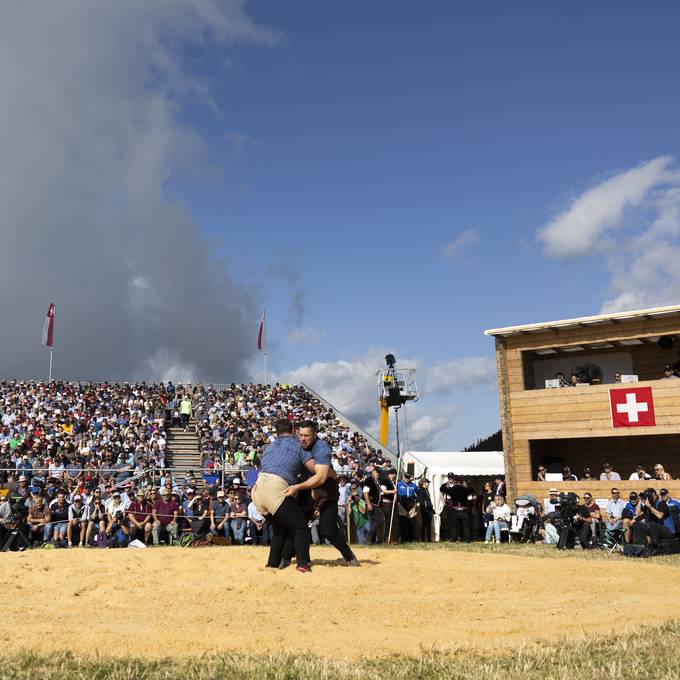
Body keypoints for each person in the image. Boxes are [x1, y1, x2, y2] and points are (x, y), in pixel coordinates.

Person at [284, 420, 358, 564]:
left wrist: (297, 487)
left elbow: (322, 477)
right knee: (297, 524)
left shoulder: (321, 448)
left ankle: (348, 555)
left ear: (315, 434)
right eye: (301, 435)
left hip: (325, 491)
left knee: (328, 529)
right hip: (306, 491)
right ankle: (293, 559)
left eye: (307, 435)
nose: (303, 438)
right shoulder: (297, 444)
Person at [251, 419, 315, 572]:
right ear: (293, 431)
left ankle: (272, 564)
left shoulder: (269, 447)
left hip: (257, 489)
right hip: (275, 488)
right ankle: (302, 564)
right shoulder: (297, 445)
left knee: (279, 529)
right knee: (300, 527)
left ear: (276, 432)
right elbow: (314, 469)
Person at [439, 476, 472, 542]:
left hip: (455, 510)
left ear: (455, 482)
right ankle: (467, 540)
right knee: (465, 527)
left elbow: (442, 489)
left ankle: (453, 539)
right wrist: (465, 486)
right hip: (464, 510)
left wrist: (447, 483)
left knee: (453, 526)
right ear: (462, 482)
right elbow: (471, 492)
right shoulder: (465, 489)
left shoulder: (452, 489)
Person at [362, 467, 386, 544]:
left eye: (379, 473)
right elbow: (365, 492)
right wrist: (368, 504)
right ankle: (368, 537)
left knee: (374, 522)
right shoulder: (369, 480)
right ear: (373, 471)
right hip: (372, 504)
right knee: (380, 520)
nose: (378, 474)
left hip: (376, 504)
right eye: (377, 472)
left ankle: (371, 540)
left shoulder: (376, 481)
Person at [396, 473, 418, 543]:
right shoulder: (398, 484)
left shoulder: (413, 485)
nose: (407, 479)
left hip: (411, 506)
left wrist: (416, 502)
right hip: (401, 505)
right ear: (403, 477)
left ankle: (411, 539)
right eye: (406, 477)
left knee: (411, 523)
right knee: (401, 522)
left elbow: (418, 493)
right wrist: (397, 502)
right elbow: (395, 492)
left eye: (408, 478)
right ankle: (401, 539)